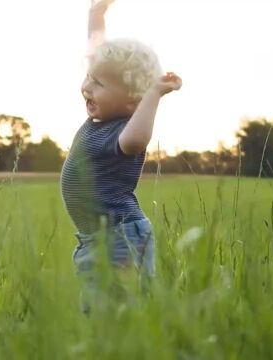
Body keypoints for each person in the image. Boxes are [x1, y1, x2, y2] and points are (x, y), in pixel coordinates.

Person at [60, 0, 182, 314]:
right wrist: (96, 15)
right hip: (96, 239)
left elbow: (137, 141)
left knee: (114, 315)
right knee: (100, 312)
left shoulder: (122, 130)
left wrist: (154, 94)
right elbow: (95, 55)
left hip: (119, 237)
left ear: (132, 102)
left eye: (98, 84)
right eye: (88, 77)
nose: (87, 87)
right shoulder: (99, 122)